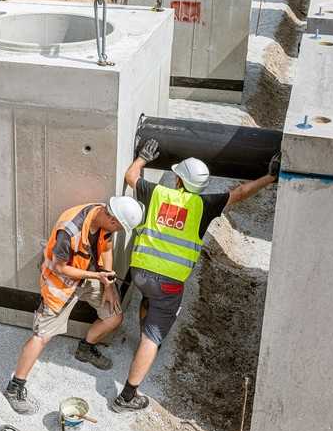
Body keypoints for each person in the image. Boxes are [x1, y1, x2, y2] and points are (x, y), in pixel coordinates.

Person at [111, 138, 280, 412]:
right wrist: (270, 177)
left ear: (177, 180)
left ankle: (146, 326)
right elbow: (240, 193)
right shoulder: (205, 205)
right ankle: (127, 397)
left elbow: (131, 176)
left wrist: (143, 157)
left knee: (149, 299)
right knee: (152, 338)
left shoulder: (158, 194)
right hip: (168, 284)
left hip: (139, 272)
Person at [4, 197, 145, 415]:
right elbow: (60, 267)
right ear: (111, 217)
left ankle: (85, 349)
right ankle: (15, 387)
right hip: (62, 284)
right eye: (118, 226)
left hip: (90, 277)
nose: (117, 231)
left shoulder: (104, 219)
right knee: (42, 336)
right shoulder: (69, 230)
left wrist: (107, 284)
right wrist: (95, 275)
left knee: (114, 316)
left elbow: (106, 248)